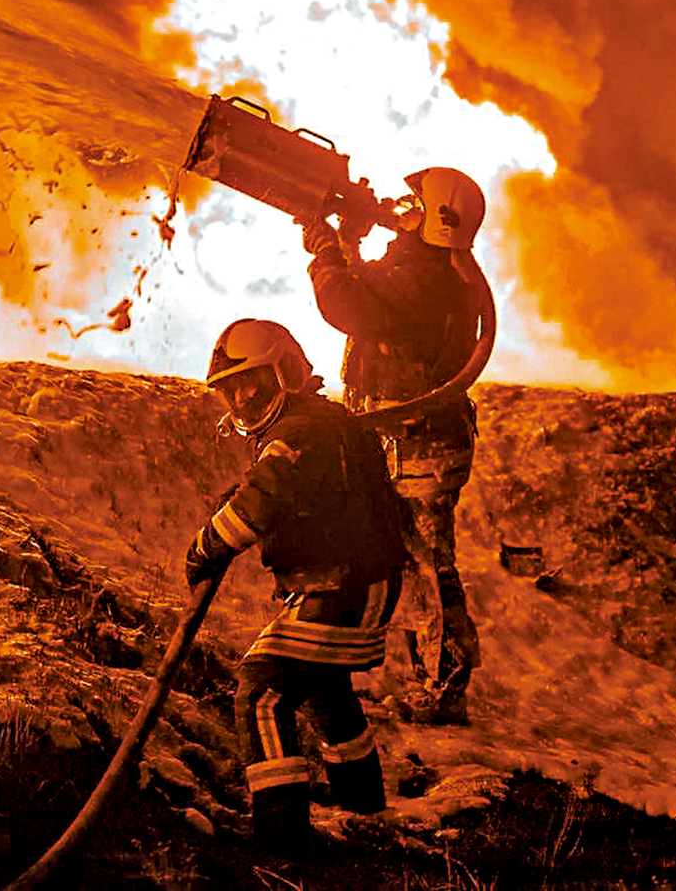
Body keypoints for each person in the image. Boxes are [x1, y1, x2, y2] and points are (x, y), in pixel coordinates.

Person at [184, 318, 408, 849]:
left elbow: (259, 503)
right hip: (355, 583)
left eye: (250, 383)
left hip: (342, 588)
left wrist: (205, 547)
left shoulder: (301, 432)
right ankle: (365, 814)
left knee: (261, 693)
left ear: (283, 371)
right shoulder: (316, 424)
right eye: (230, 389)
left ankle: (280, 842)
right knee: (326, 693)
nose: (240, 399)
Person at [300, 166, 486, 725]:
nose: (396, 205)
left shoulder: (425, 278)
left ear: (435, 218)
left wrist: (326, 250)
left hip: (418, 449)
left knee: (430, 567)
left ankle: (445, 688)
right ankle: (423, 676)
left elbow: (347, 304)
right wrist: (348, 239)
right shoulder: (429, 268)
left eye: (410, 202)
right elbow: (370, 290)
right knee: (410, 561)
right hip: (415, 443)